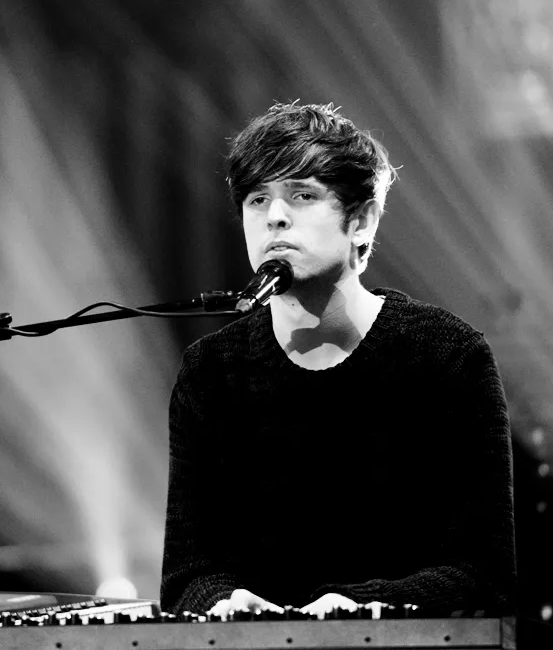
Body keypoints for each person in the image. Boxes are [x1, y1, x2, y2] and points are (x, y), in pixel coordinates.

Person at [159, 102, 516, 618]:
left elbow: (484, 576)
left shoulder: (447, 357)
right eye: (257, 199)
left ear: (362, 220)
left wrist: (354, 609)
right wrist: (224, 603)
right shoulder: (211, 372)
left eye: (302, 195)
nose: (275, 216)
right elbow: (186, 575)